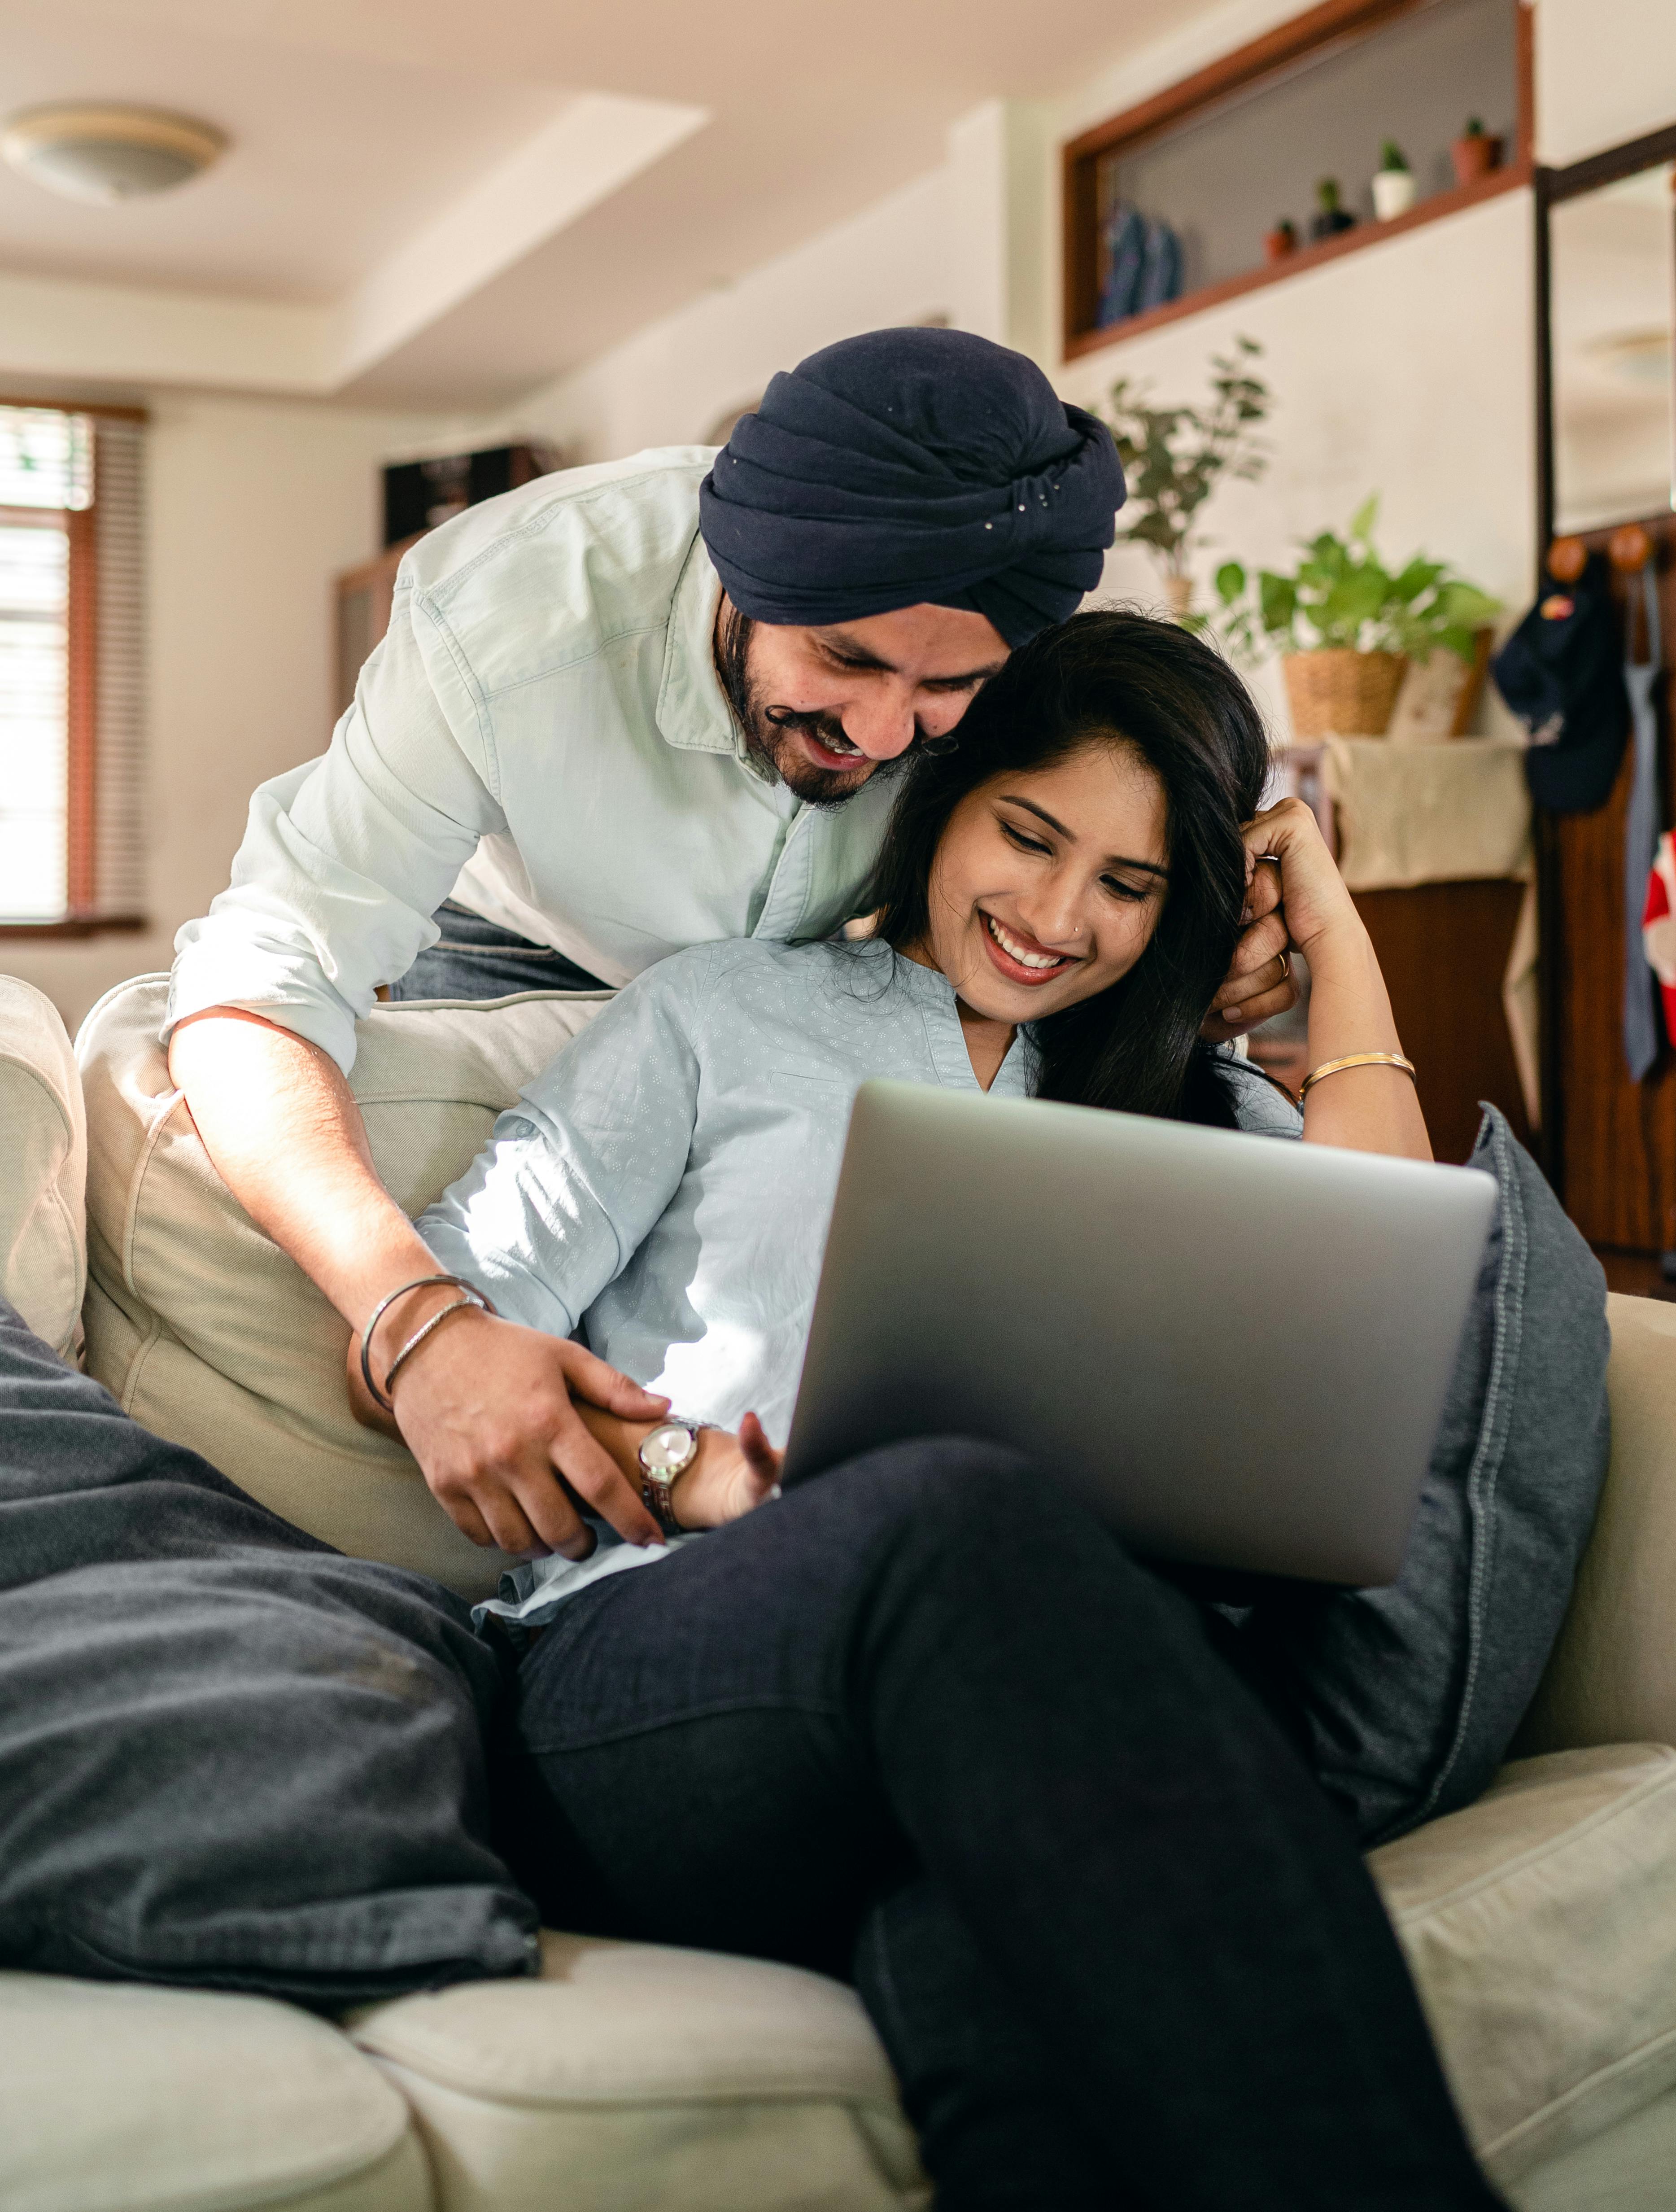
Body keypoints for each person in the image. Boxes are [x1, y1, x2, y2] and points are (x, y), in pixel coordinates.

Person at [345, 614, 1506, 2208]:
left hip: (1016, 1729)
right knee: (957, 1510)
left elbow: (1393, 1320)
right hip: (661, 1682)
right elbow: (435, 1344)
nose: (1054, 916)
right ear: (947, 793)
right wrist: (679, 1466)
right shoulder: (722, 1012)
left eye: (1129, 884)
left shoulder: (1203, 1098)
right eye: (1028, 837)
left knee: (1016, 1994)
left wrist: (1340, 937)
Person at [163, 329, 1298, 1571]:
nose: (876, 731)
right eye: (843, 658)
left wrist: (1207, 951)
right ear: (741, 577)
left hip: (839, 959)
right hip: (522, 940)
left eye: (943, 693)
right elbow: (264, 976)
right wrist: (415, 1317)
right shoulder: (509, 621)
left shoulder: (1002, 639)